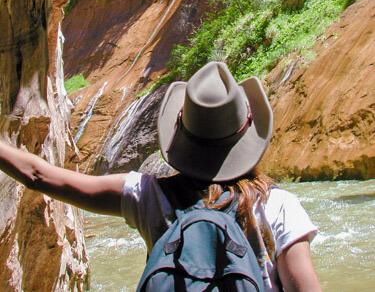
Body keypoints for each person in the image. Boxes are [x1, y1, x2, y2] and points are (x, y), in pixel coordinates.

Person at [0, 62, 322, 291]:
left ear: (181, 135)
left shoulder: (147, 196)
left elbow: (37, 175)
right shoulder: (279, 206)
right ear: (246, 135)